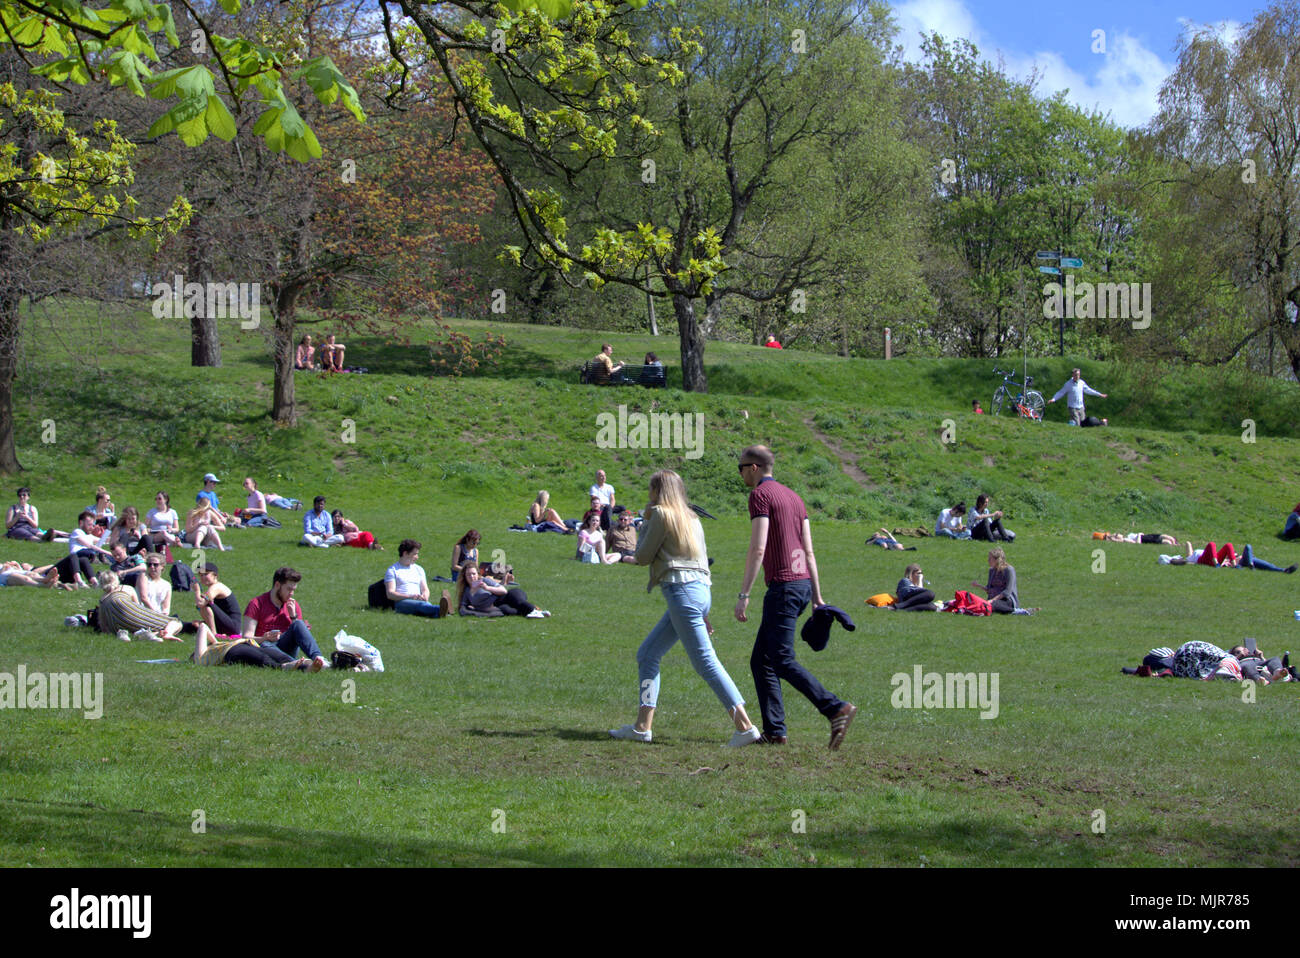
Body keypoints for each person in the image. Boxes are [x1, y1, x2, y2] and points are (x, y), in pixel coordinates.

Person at [610, 470, 760, 746]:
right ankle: (642, 727)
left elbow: (642, 556)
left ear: (657, 491)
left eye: (650, 490)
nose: (648, 495)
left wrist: (646, 519)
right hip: (699, 592)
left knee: (706, 661)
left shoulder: (662, 515)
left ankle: (745, 726)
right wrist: (702, 612)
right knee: (647, 654)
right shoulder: (692, 518)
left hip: (682, 594)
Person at [735, 445, 857, 749]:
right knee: (761, 660)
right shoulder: (795, 498)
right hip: (802, 584)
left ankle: (835, 708)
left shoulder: (760, 496)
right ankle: (775, 731)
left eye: (741, 468)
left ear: (754, 467)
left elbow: (758, 548)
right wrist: (817, 597)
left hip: (784, 587)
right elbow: (809, 552)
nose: (740, 474)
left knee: (782, 660)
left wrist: (744, 594)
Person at [242, 567, 328, 670]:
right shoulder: (256, 604)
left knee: (298, 624)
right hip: (265, 650)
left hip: (285, 647)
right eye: (288, 589)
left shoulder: (293, 605)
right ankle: (301, 665)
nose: (291, 593)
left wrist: (293, 617)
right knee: (265, 644)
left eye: (293, 590)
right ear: (277, 585)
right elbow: (246, 638)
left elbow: (298, 634)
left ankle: (319, 660)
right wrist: (264, 638)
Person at [96, 571, 183, 641]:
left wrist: (108, 631)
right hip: (132, 616)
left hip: (115, 627)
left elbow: (103, 624)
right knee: (175, 621)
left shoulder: (102, 599)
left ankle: (129, 634)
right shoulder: (125, 588)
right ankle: (166, 633)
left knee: (132, 627)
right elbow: (138, 608)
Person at [385, 539, 451, 618]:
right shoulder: (393, 570)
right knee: (421, 605)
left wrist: (425, 596)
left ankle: (440, 613)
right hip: (402, 602)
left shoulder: (419, 569)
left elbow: (425, 588)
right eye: (415, 554)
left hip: (420, 600)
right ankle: (444, 609)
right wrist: (410, 597)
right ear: (405, 553)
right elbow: (390, 594)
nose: (417, 557)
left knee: (425, 606)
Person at [457, 564, 548, 618]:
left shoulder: (485, 581)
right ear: (464, 576)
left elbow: (503, 590)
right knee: (509, 611)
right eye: (469, 575)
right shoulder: (467, 591)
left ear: (477, 574)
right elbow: (463, 608)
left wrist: (487, 588)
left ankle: (535, 611)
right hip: (498, 605)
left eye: (473, 574)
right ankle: (536, 612)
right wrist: (476, 612)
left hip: (507, 596)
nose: (472, 577)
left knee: (518, 601)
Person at [191, 562, 242, 637]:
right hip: (227, 625)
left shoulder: (217, 587)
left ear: (215, 575)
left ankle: (213, 633)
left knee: (206, 604)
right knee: (193, 625)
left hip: (233, 627)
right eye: (201, 575)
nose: (203, 577)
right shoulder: (213, 587)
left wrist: (197, 590)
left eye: (206, 574)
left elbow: (201, 603)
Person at [969, 548, 1023, 614]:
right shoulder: (991, 570)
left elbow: (1007, 592)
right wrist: (978, 585)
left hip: (1006, 600)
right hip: (992, 599)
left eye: (990, 559)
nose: (988, 560)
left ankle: (1015, 611)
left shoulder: (1009, 570)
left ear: (997, 560)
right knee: (977, 602)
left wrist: (993, 600)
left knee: (992, 605)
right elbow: (989, 589)